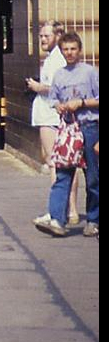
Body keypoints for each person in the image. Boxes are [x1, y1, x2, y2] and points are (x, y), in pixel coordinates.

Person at [33, 32, 99, 238]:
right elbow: (53, 99)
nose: (69, 53)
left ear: (79, 50)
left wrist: (81, 103)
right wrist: (59, 106)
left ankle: (93, 220)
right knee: (63, 173)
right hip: (68, 130)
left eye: (73, 49)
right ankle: (57, 219)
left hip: (89, 127)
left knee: (93, 177)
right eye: (66, 50)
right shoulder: (59, 75)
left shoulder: (90, 72)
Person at [26, 21, 79, 224]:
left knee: (54, 162)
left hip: (51, 115)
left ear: (57, 36)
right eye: (40, 36)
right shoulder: (55, 58)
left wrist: (37, 87)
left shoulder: (56, 59)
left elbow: (55, 87)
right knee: (66, 163)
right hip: (56, 115)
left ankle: (58, 211)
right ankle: (71, 210)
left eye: (46, 36)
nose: (42, 39)